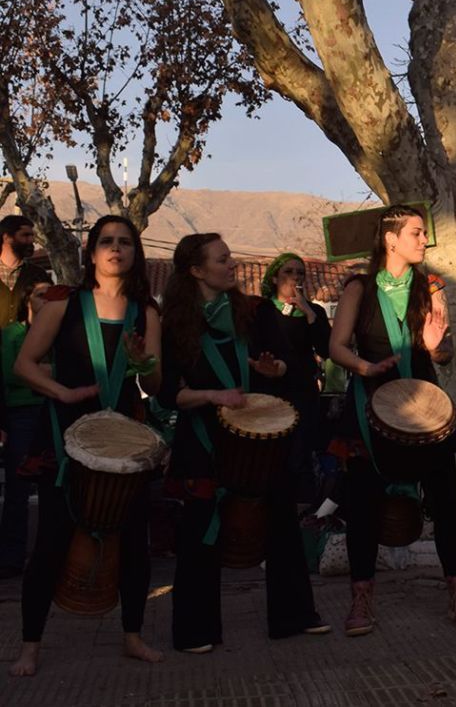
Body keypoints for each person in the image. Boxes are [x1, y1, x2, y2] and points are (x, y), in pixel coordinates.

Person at [9, 216, 164, 676]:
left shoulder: (146, 311)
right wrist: (63, 393)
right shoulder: (63, 304)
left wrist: (144, 363)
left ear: (135, 253)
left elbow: (154, 385)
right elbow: (25, 364)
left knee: (134, 543)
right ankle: (30, 645)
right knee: (51, 543)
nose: (116, 248)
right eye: (106, 242)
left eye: (125, 242)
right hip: (65, 438)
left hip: (124, 442)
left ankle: (132, 635)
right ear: (91, 253)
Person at [160, 233, 328, 653]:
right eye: (222, 260)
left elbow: (285, 365)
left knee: (282, 524)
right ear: (196, 270)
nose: (232, 265)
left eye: (230, 258)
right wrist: (212, 396)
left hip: (259, 437)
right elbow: (167, 394)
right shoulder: (176, 326)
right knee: (200, 534)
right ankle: (195, 631)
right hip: (204, 439)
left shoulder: (252, 313)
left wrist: (273, 370)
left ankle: (294, 616)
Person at [327, 205, 456, 635]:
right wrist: (366, 368)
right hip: (370, 407)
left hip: (425, 409)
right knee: (363, 508)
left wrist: (435, 347)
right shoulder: (358, 288)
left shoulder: (430, 287)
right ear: (390, 239)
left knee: (447, 506)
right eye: (416, 232)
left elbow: (444, 353)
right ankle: (361, 599)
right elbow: (337, 347)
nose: (423, 240)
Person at [261, 253, 332, 504]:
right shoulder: (262, 311)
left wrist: (309, 314)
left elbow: (326, 349)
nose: (295, 277)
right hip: (270, 391)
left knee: (300, 455)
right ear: (274, 278)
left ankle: (302, 510)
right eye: (288, 272)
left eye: (300, 273)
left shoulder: (314, 312)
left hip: (303, 393)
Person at [0, 271, 52, 579]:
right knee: (18, 485)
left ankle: (49, 556)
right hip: (21, 414)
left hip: (51, 409)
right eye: (40, 295)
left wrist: (34, 370)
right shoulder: (11, 335)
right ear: (27, 300)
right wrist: (43, 372)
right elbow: (12, 373)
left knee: (53, 485)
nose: (46, 301)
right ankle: (11, 556)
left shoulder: (58, 334)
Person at [0, 215, 49, 329]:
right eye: (25, 235)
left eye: (32, 236)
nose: (31, 240)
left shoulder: (38, 275)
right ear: (7, 238)